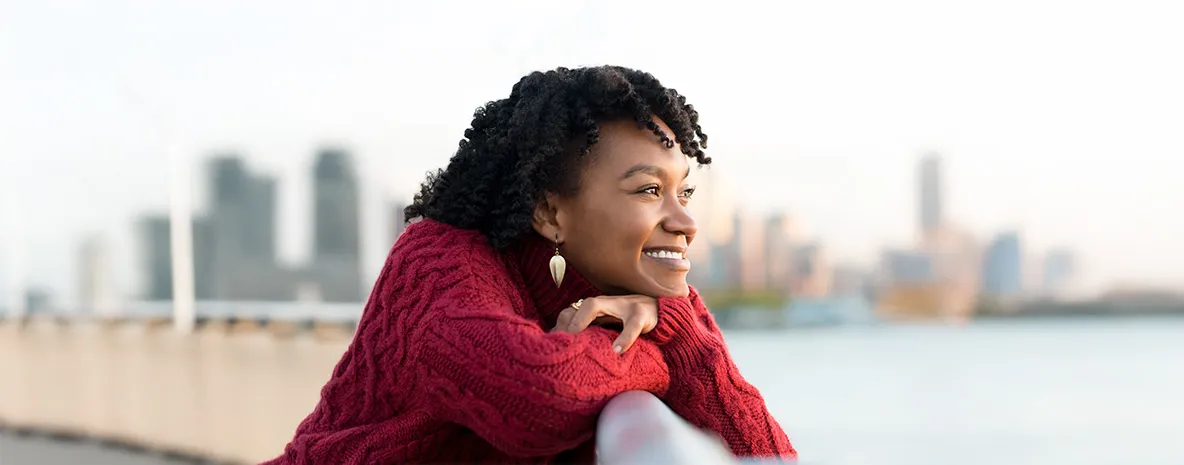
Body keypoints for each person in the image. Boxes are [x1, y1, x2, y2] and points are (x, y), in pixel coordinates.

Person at [268, 66, 796, 464]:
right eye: (649, 190)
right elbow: (540, 396)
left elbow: (767, 456)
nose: (685, 220)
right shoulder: (437, 265)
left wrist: (678, 330)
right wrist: (660, 358)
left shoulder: (650, 305)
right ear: (549, 211)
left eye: (686, 190)